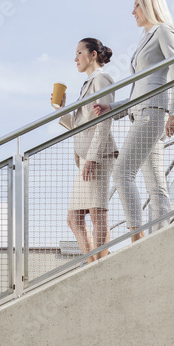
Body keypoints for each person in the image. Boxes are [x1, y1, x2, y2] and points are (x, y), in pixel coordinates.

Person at [93, 0, 174, 242]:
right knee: (156, 185)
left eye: (136, 5)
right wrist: (114, 108)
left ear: (149, 5)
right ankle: (163, 238)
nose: (132, 11)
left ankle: (138, 237)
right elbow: (139, 89)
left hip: (152, 112)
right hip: (142, 111)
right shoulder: (145, 38)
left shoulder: (164, 30)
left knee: (122, 173)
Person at [55, 38, 117, 263]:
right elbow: (80, 126)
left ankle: (100, 265)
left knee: (97, 212)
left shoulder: (102, 79)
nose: (75, 58)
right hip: (85, 158)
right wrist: (62, 111)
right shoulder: (87, 84)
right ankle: (94, 264)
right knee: (74, 218)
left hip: (97, 156)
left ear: (92, 55)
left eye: (79, 52)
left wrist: (92, 157)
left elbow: (104, 120)